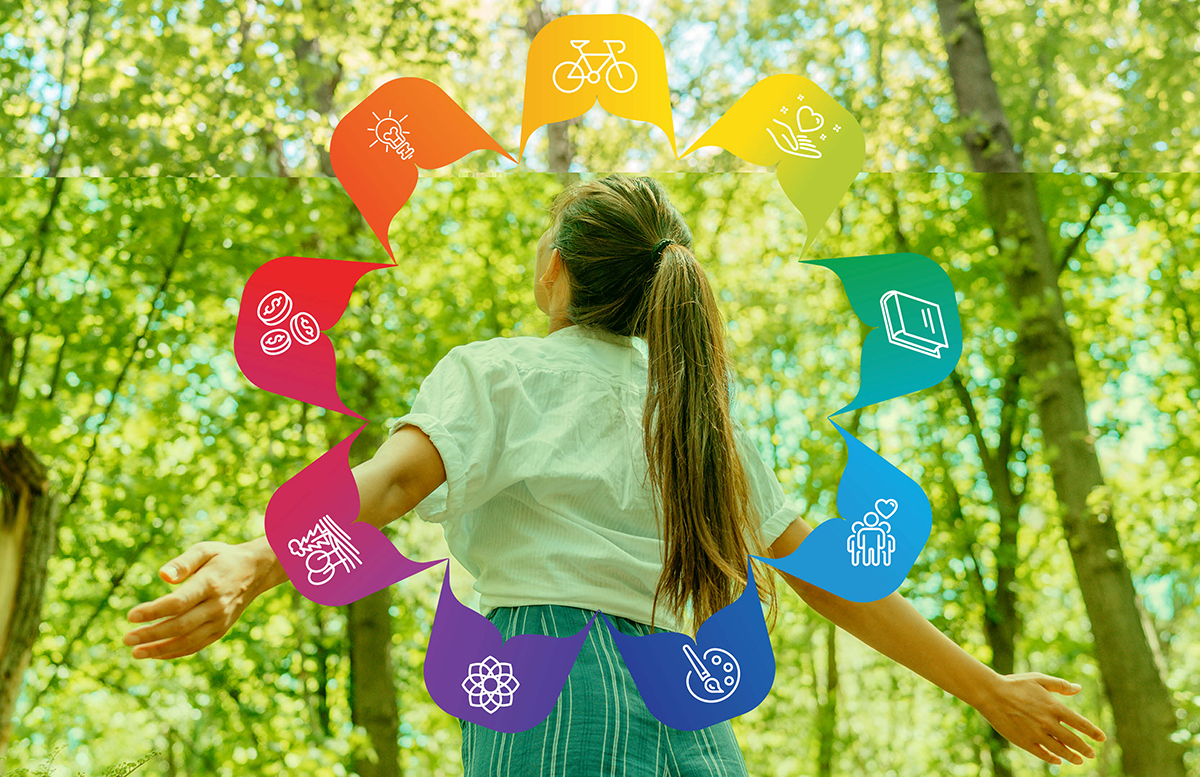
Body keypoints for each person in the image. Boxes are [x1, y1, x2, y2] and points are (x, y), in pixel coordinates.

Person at [123, 175, 1106, 774]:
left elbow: (384, 487)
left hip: (548, 689)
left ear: (557, 264)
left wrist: (256, 558)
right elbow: (827, 571)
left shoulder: (500, 371)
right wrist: (986, 688)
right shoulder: (696, 414)